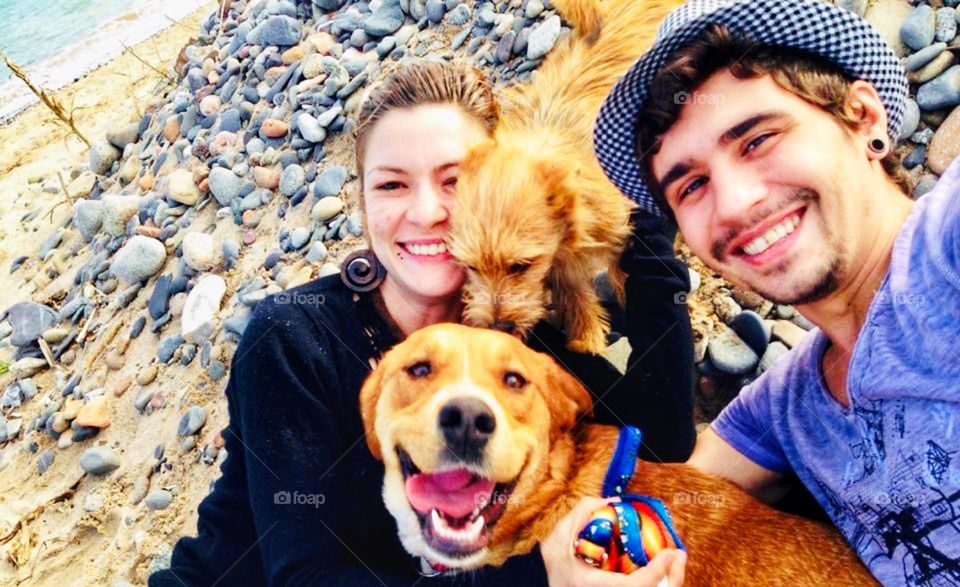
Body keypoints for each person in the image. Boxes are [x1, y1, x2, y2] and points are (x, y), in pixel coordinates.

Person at [149, 59, 694, 587]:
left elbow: (663, 442)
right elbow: (302, 574)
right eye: (391, 185)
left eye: (454, 181)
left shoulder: (519, 351)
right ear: (362, 203)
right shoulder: (297, 338)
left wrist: (644, 229)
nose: (427, 212)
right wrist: (542, 576)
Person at [592, 0, 960, 584]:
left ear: (864, 118)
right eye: (692, 186)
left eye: (757, 140)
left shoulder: (945, 246)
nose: (735, 203)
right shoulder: (784, 411)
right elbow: (661, 513)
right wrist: (580, 550)